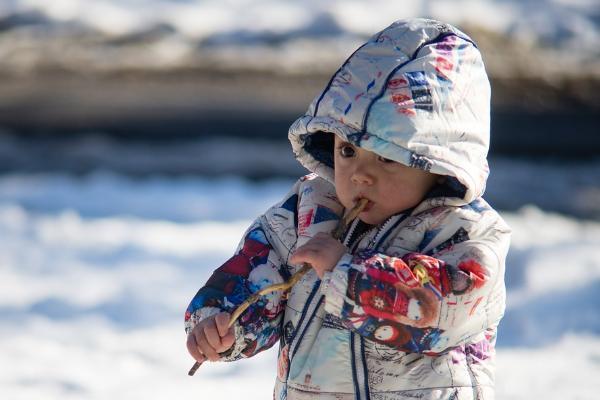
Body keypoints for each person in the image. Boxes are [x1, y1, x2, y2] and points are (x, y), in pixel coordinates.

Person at [185, 18, 511, 400]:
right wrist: (223, 322)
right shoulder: (308, 210)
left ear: (436, 162)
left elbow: (443, 309)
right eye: (348, 151)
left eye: (387, 159)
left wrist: (348, 274)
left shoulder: (464, 232)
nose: (360, 176)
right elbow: (256, 269)